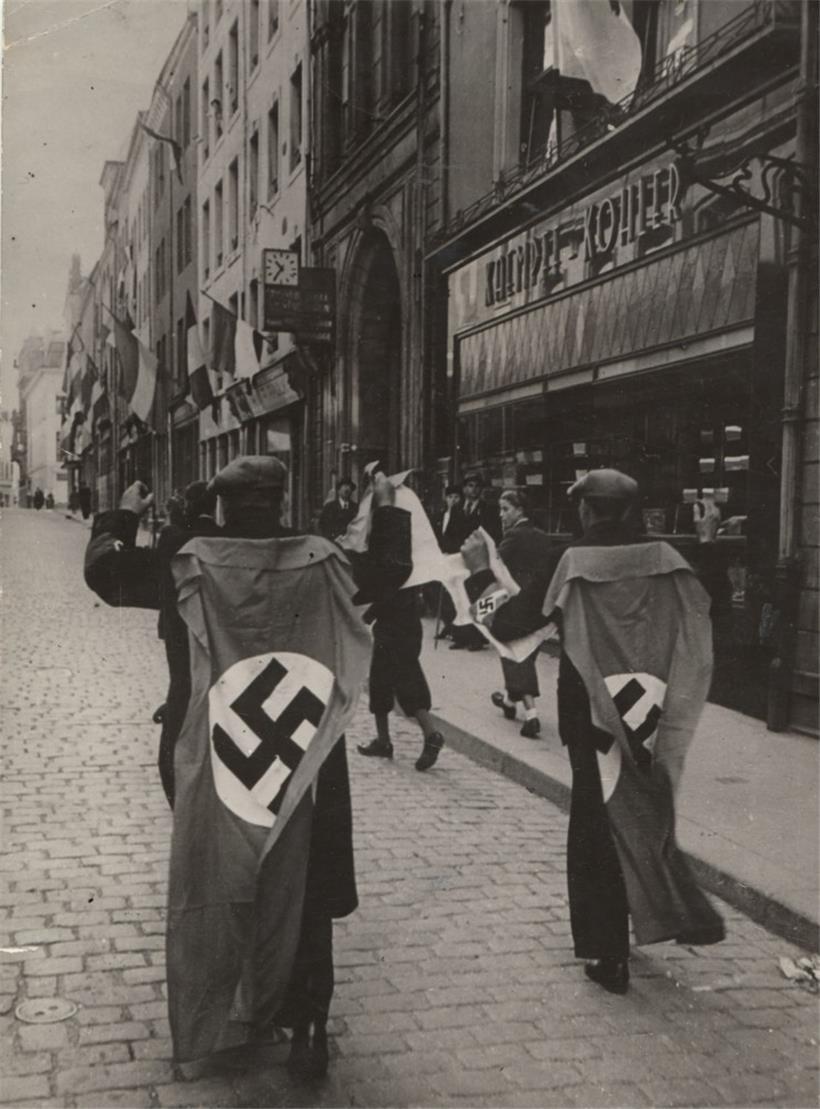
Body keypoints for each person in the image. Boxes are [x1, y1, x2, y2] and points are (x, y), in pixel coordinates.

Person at [84, 459, 410, 1075]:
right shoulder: (322, 558)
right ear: (282, 500)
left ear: (225, 505)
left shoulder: (188, 557)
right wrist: (387, 502)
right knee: (305, 885)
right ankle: (309, 1027)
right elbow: (392, 570)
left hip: (214, 749)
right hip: (301, 753)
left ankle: (225, 1011)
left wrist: (122, 511)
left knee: (218, 871)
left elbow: (105, 572)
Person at [463, 468, 727, 996]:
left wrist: (478, 577)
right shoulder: (665, 558)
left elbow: (510, 624)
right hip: (650, 709)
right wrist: (708, 540)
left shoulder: (573, 562)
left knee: (594, 819)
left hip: (591, 713)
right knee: (643, 807)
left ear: (585, 510)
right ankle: (659, 913)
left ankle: (609, 954)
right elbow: (710, 601)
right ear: (630, 511)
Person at [488, 489, 553, 738]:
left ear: (520, 510)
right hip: (539, 604)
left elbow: (495, 565)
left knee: (515, 654)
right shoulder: (542, 536)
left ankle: (531, 714)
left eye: (506, 509)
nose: (501, 515)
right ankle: (508, 701)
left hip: (514, 604)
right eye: (500, 509)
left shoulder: (514, 535)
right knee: (523, 653)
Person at [450, 474, 501, 651]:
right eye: (470, 486)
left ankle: (478, 638)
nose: (473, 490)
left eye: (477, 486)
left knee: (477, 596)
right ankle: (461, 636)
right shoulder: (456, 508)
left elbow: (492, 533)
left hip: (478, 558)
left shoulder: (488, 509)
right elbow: (451, 532)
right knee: (460, 596)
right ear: (464, 489)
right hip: (460, 557)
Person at [433, 483, 469, 639]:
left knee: (455, 593)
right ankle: (448, 623)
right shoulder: (440, 516)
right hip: (441, 557)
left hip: (455, 558)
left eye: (456, 497)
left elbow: (462, 538)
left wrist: (451, 551)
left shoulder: (463, 517)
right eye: (450, 497)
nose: (453, 500)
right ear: (445, 498)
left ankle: (458, 629)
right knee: (434, 591)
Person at [318, 476, 358, 541]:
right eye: (344, 486)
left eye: (349, 486)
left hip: (351, 544)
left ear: (351, 491)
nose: (347, 489)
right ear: (338, 490)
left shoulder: (356, 508)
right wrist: (333, 538)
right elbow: (323, 526)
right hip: (333, 544)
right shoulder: (329, 507)